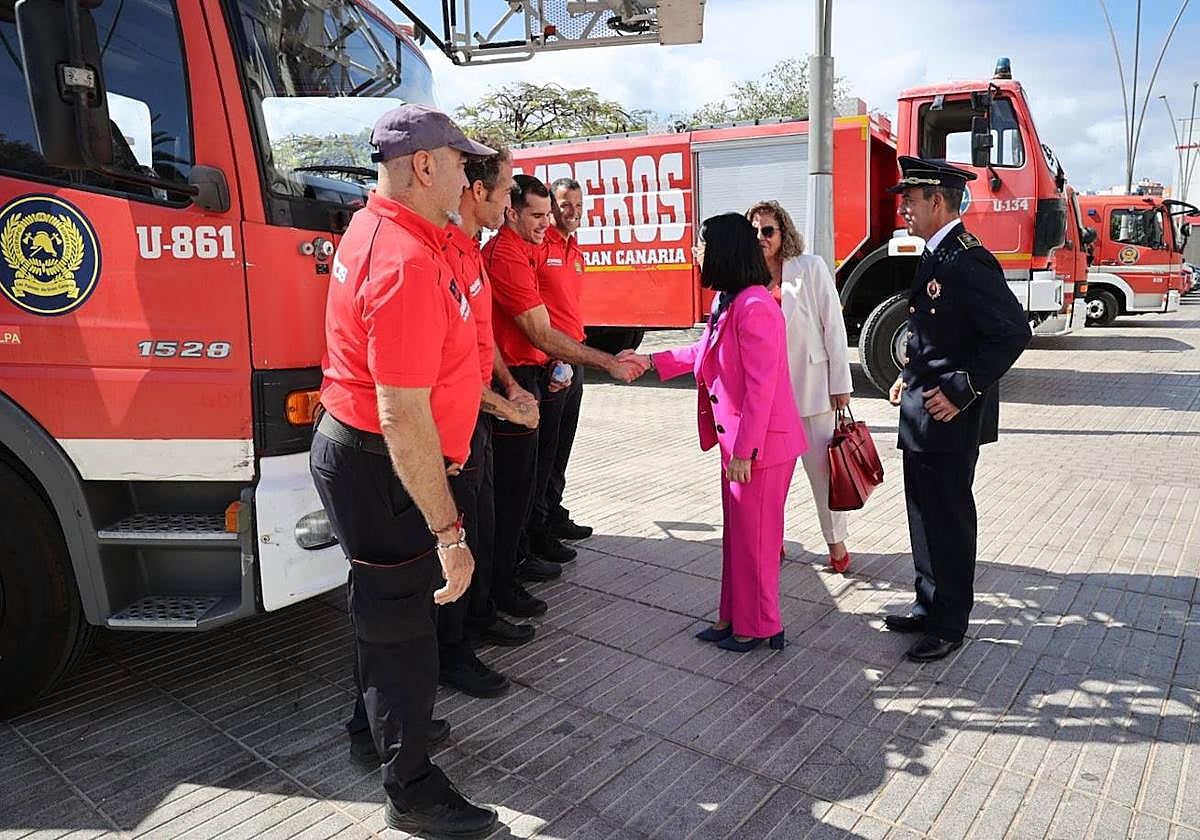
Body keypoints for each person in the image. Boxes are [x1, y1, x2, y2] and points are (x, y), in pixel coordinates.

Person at [309, 103, 497, 838]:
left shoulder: (380, 226)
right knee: (405, 631)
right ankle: (412, 788)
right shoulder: (406, 261)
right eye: (459, 163)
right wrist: (450, 532)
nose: (467, 176)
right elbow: (403, 414)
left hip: (363, 453)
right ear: (424, 165)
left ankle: (374, 730)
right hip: (382, 462)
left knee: (384, 608)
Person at [622, 214, 806, 652]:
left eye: (701, 245)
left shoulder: (756, 306)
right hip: (740, 444)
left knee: (756, 541)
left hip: (760, 447)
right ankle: (734, 616)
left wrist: (745, 451)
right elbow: (702, 351)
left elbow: (762, 389)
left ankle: (759, 626)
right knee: (739, 538)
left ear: (723, 250)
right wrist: (651, 361)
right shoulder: (730, 299)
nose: (695, 253)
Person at [883, 156, 1031, 663]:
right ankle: (929, 605)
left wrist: (962, 389)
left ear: (937, 201)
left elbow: (1011, 332)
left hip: (949, 415)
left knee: (948, 520)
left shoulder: (967, 260)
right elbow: (933, 331)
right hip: (922, 412)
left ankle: (949, 624)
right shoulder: (936, 254)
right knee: (923, 515)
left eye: (910, 200)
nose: (903, 208)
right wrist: (907, 375)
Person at [484, 174, 642, 618]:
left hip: (537, 371)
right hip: (516, 376)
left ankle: (520, 556)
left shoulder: (532, 248)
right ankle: (502, 581)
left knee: (536, 471)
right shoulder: (506, 255)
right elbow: (536, 329)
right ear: (510, 211)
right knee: (514, 485)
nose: (550, 220)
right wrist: (607, 362)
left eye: (549, 213)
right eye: (541, 213)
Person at [437, 140, 541, 699]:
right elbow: (447, 367)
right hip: (454, 423)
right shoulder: (443, 251)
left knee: (485, 522)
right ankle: (451, 651)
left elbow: (481, 338)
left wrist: (507, 383)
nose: (509, 203)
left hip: (478, 415)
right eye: (505, 192)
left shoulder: (470, 251)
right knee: (460, 534)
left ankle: (476, 620)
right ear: (477, 191)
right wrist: (508, 407)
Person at [747, 200, 854, 573]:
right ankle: (771, 540)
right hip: (767, 397)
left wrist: (840, 383)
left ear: (783, 233)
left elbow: (833, 325)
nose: (761, 238)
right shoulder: (747, 276)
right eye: (755, 232)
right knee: (769, 480)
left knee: (823, 474)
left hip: (811, 390)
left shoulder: (809, 267)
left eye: (768, 231)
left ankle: (836, 542)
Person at [539, 177, 594, 544]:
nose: (573, 212)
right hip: (551, 362)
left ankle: (554, 511)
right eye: (565, 205)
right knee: (545, 450)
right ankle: (539, 525)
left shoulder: (575, 250)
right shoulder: (540, 246)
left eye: (578, 205)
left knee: (562, 445)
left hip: (574, 355)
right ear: (551, 208)